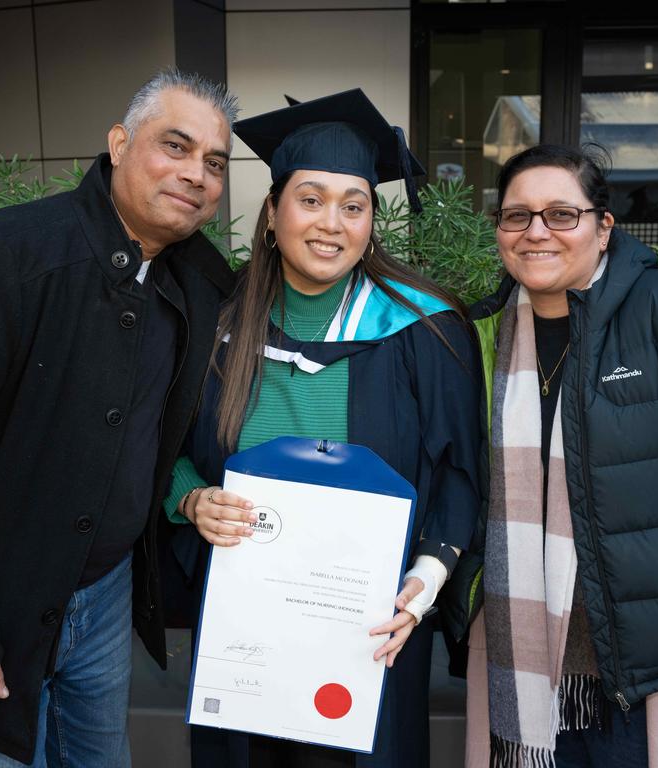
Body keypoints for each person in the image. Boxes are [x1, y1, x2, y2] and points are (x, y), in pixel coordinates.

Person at [0, 69, 239, 767]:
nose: (196, 174)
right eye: (174, 146)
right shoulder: (5, 257)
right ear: (118, 144)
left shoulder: (196, 280)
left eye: (214, 161)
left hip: (105, 596)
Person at [163, 89, 483, 768]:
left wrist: (422, 588)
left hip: (372, 633)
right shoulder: (214, 323)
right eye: (310, 199)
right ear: (274, 211)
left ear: (373, 220)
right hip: (243, 630)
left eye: (354, 205)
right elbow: (161, 448)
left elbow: (460, 480)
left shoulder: (425, 330)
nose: (331, 224)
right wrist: (192, 500)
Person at [444, 144, 658, 768]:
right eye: (517, 215)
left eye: (562, 214)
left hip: (649, 664)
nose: (537, 232)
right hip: (516, 662)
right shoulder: (478, 335)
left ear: (603, 225)